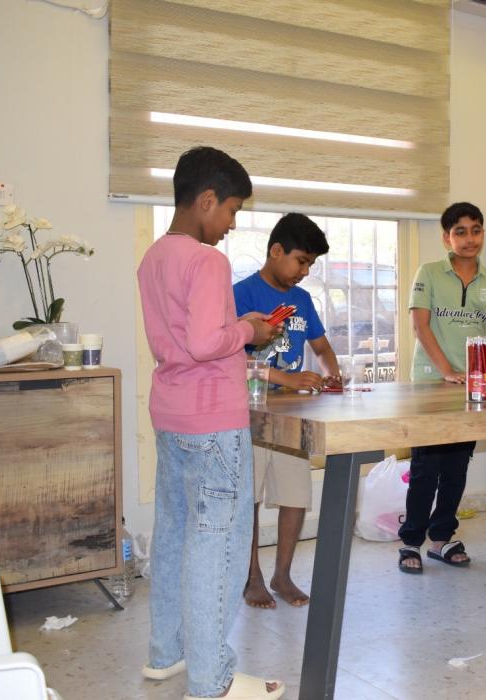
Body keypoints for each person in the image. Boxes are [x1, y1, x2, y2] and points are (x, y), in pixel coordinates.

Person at [137, 146, 285, 699]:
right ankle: (211, 680)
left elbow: (184, 337)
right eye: (232, 210)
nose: (232, 223)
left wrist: (237, 321)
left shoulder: (154, 257)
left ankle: (167, 654)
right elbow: (205, 343)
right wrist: (250, 331)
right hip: (213, 422)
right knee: (217, 546)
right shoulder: (207, 261)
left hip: (171, 415)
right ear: (206, 200)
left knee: (176, 535)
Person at [397, 201, 486, 573]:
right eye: (460, 231)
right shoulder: (428, 273)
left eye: (476, 230)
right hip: (430, 385)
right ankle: (410, 542)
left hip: (473, 386)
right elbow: (420, 326)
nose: (469, 238)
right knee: (425, 468)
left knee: (456, 468)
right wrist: (445, 371)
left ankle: (441, 539)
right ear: (447, 237)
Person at [232, 212, 338, 609]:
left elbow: (322, 347)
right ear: (276, 251)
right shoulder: (241, 294)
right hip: (250, 413)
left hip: (293, 417)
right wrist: (288, 379)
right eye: (301, 261)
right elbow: (233, 358)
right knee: (250, 497)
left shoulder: (302, 300)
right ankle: (252, 576)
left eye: (311, 264)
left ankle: (282, 575)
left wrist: (332, 374)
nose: (305, 271)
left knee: (295, 494)